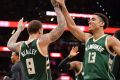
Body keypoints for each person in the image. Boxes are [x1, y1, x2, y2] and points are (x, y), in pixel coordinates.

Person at [55, 0, 120, 79]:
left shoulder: (110, 40)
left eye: (93, 20)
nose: (89, 22)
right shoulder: (87, 38)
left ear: (102, 24)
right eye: (89, 20)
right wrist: (63, 6)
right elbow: (72, 26)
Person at [7, 0, 66, 79]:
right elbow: (61, 27)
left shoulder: (20, 46)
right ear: (40, 30)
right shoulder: (41, 42)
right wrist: (56, 7)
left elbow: (9, 45)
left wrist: (19, 30)